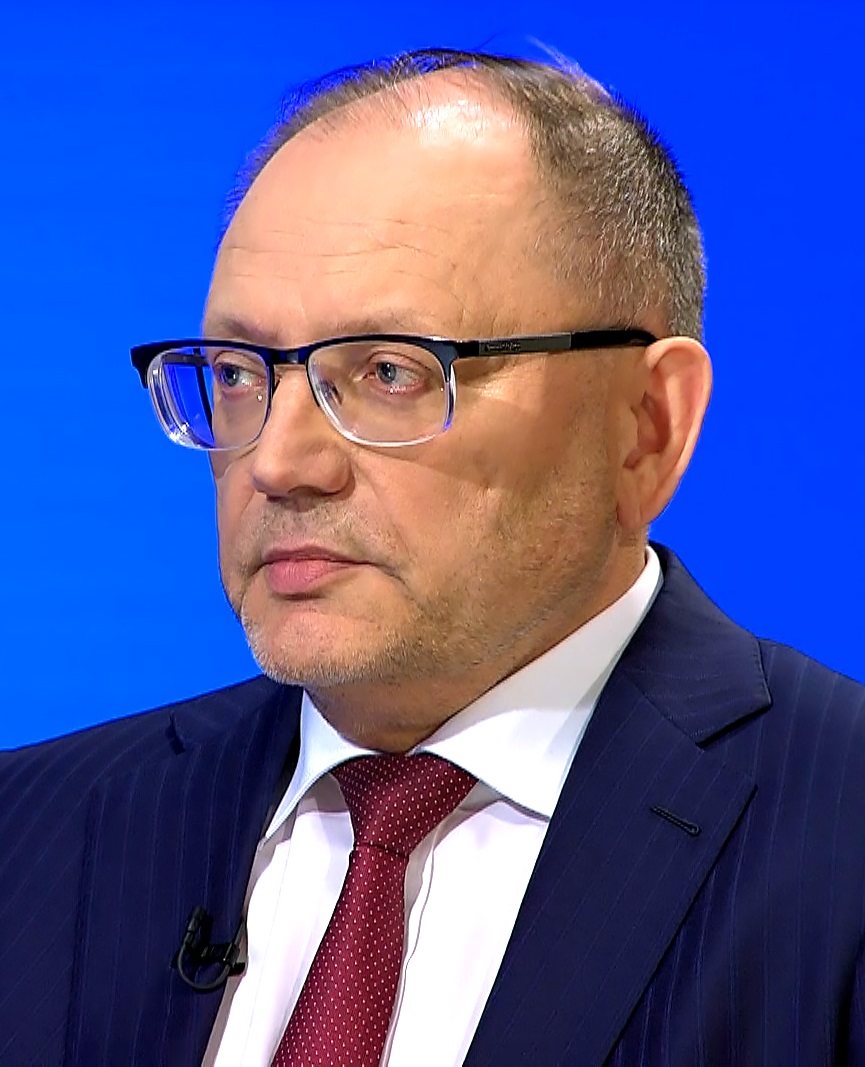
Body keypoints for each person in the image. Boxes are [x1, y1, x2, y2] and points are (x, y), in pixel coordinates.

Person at [2, 47, 864, 1067]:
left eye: (390, 371)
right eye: (237, 373)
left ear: (645, 424)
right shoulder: (31, 833)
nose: (277, 463)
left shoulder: (836, 832)